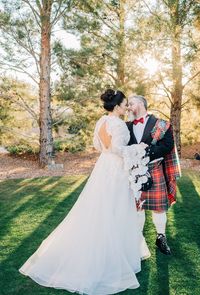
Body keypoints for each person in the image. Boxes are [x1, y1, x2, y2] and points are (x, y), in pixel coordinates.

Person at [19, 89, 148, 295]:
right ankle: (114, 257)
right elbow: (117, 149)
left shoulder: (101, 122)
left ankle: (105, 250)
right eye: (124, 104)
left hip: (103, 166)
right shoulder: (119, 124)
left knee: (99, 208)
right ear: (116, 107)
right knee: (116, 209)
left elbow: (98, 146)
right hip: (115, 170)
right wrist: (137, 149)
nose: (126, 108)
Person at [127, 95, 181, 258]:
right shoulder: (126, 125)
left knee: (158, 208)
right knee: (137, 207)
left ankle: (160, 237)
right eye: (127, 104)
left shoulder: (160, 124)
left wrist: (147, 152)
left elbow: (168, 144)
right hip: (134, 172)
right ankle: (137, 240)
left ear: (142, 104)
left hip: (154, 168)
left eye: (131, 103)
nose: (128, 107)